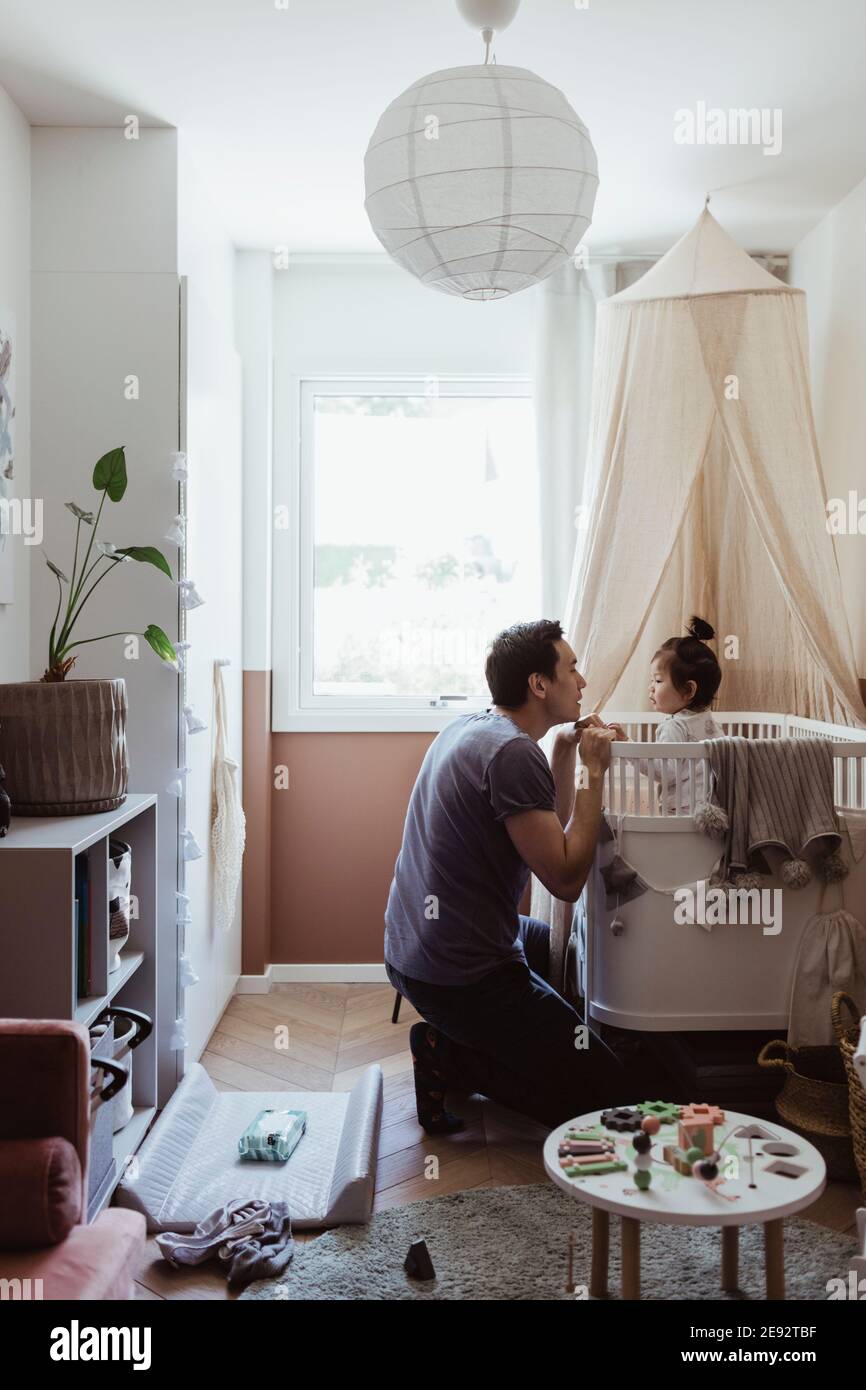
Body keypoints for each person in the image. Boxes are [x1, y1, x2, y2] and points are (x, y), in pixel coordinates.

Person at [383, 619, 629, 1134]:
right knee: (608, 1101)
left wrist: (563, 751)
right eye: (572, 668)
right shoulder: (512, 753)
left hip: (415, 949)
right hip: (458, 975)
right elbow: (564, 878)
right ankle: (450, 1054)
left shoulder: (475, 728)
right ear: (539, 685)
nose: (582, 681)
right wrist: (595, 773)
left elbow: (551, 831)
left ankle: (506, 1042)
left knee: (551, 947)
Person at [648, 616, 723, 813]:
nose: (651, 688)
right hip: (713, 806)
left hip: (680, 811)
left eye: (657, 681)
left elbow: (665, 772)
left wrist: (629, 750)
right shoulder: (710, 721)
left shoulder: (674, 726)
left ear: (688, 690)